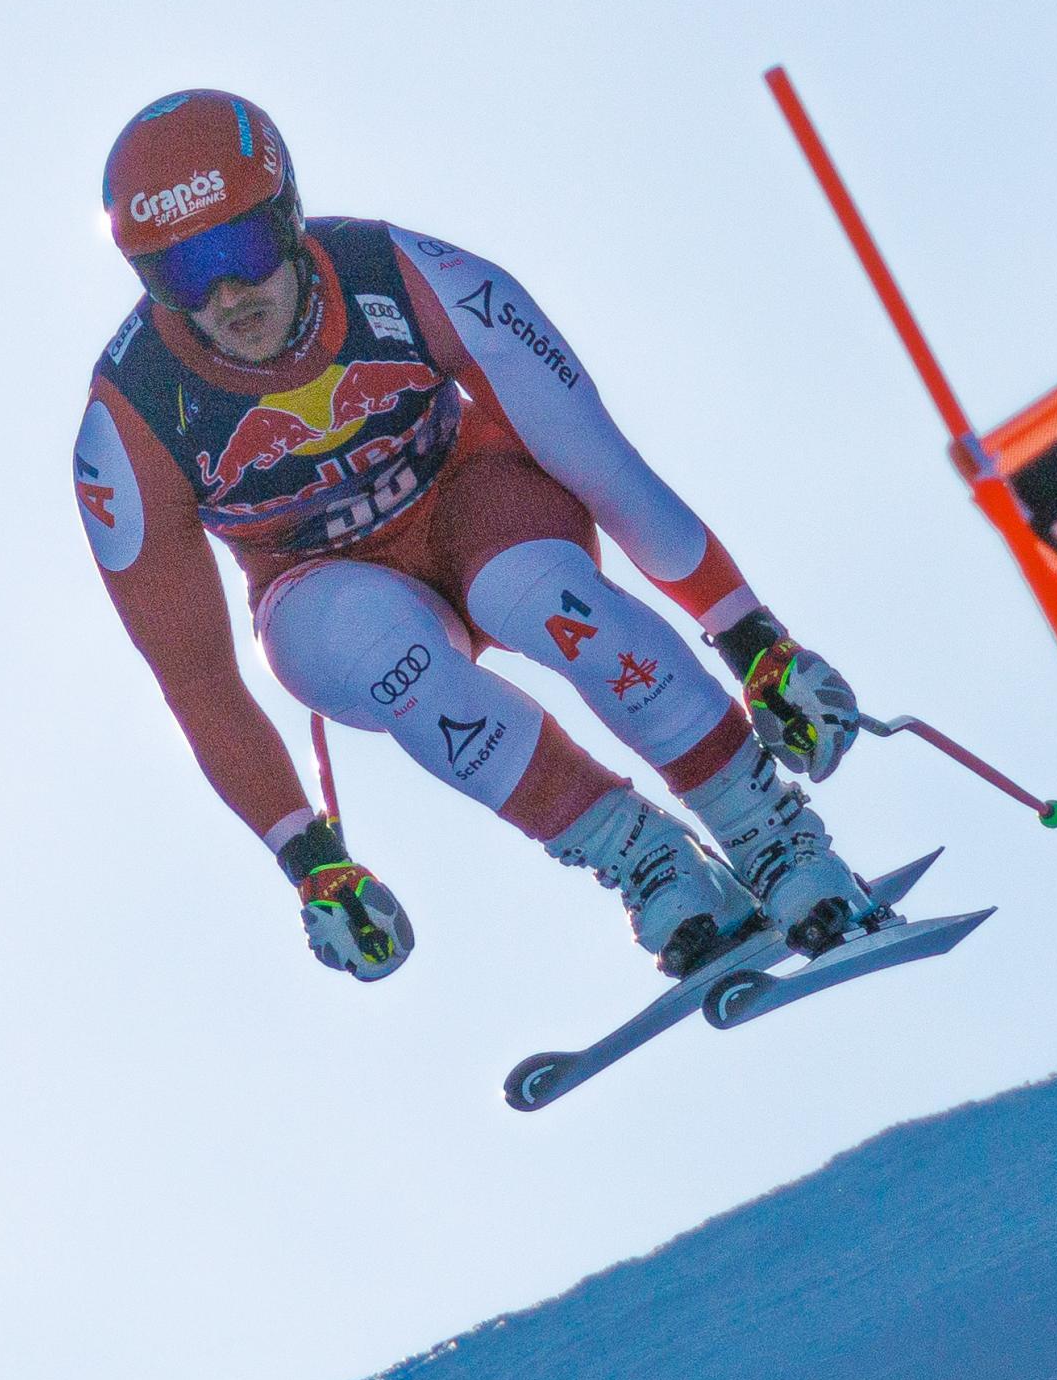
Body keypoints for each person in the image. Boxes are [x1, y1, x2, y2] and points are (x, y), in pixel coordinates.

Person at [73, 89, 869, 985]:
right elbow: (196, 682)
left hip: (482, 507)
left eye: (240, 249)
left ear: (288, 214)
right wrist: (311, 864)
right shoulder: (131, 424)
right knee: (380, 654)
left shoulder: (409, 276)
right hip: (321, 586)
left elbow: (603, 467)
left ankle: (773, 836)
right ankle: (649, 861)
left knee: (533, 593)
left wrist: (751, 637)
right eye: (179, 274)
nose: (224, 296)